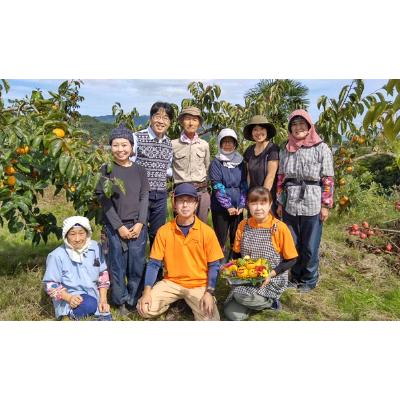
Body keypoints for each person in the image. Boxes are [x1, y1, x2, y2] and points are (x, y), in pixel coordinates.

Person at [136, 183, 224, 321]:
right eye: (180, 201)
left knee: (212, 321)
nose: (185, 205)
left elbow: (214, 265)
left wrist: (209, 292)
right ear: (174, 204)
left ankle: (191, 302)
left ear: (196, 205)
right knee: (144, 309)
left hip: (199, 285)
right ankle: (172, 303)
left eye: (189, 201)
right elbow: (154, 264)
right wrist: (147, 291)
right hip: (171, 283)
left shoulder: (207, 232)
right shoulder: (164, 231)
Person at [276, 109, 334, 293]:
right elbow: (281, 178)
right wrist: (280, 202)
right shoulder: (286, 149)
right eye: (294, 124)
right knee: (292, 243)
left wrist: (325, 205)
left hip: (313, 199)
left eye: (302, 124)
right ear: (290, 128)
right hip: (291, 201)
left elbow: (328, 178)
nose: (298, 128)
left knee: (310, 244)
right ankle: (295, 276)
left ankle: (309, 279)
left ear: (309, 126)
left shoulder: (321, 147)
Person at [96, 123, 150, 315]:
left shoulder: (140, 170)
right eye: (116, 145)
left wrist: (140, 222)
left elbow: (144, 197)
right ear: (111, 147)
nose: (120, 149)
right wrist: (118, 226)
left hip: (137, 225)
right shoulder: (106, 170)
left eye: (124, 145)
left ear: (132, 146)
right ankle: (119, 300)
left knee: (136, 264)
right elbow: (105, 201)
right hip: (114, 227)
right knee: (117, 264)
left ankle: (133, 298)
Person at [223, 187, 298, 321]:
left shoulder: (279, 227)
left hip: (272, 278)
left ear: (270, 205)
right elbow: (236, 254)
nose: (258, 208)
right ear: (248, 205)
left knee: (239, 297)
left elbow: (291, 259)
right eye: (254, 203)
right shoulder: (243, 225)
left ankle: (271, 302)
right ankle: (253, 303)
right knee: (232, 315)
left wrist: (271, 274)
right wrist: (233, 272)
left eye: (263, 203)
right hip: (248, 277)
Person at [42, 216, 111, 320]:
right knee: (89, 304)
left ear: (87, 233)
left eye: (81, 233)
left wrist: (103, 300)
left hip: (94, 296)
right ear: (66, 235)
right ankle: (68, 314)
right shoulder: (56, 256)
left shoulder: (96, 248)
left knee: (105, 317)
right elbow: (50, 285)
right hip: (69, 299)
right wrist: (69, 298)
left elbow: (103, 275)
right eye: (72, 234)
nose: (78, 239)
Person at [132, 102, 174, 250]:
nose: (161, 121)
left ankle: (156, 269)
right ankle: (138, 269)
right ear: (150, 118)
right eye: (157, 116)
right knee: (139, 232)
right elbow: (128, 164)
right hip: (140, 194)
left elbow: (167, 169)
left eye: (166, 118)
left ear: (170, 122)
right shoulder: (137, 137)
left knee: (158, 234)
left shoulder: (169, 143)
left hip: (161, 195)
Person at [208, 128, 247, 257]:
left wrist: (241, 205)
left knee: (236, 236)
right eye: (225, 142)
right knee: (220, 237)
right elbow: (217, 185)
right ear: (220, 143)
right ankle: (219, 264)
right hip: (221, 207)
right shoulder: (216, 162)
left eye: (231, 142)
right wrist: (228, 205)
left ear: (235, 144)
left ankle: (234, 264)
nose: (228, 145)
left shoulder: (240, 162)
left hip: (237, 208)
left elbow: (243, 184)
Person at [171, 106, 211, 223]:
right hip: (181, 191)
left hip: (201, 190)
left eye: (194, 120)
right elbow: (168, 167)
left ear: (199, 123)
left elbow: (207, 166)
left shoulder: (204, 145)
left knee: (201, 224)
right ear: (181, 121)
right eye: (187, 119)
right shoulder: (173, 144)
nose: (191, 123)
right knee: (181, 224)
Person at [243, 115, 280, 212]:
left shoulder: (272, 149)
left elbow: (271, 176)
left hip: (267, 196)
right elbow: (248, 176)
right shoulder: (249, 151)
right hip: (253, 196)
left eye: (262, 129)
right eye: (255, 129)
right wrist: (248, 195)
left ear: (267, 131)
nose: (259, 132)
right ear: (252, 133)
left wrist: (262, 198)